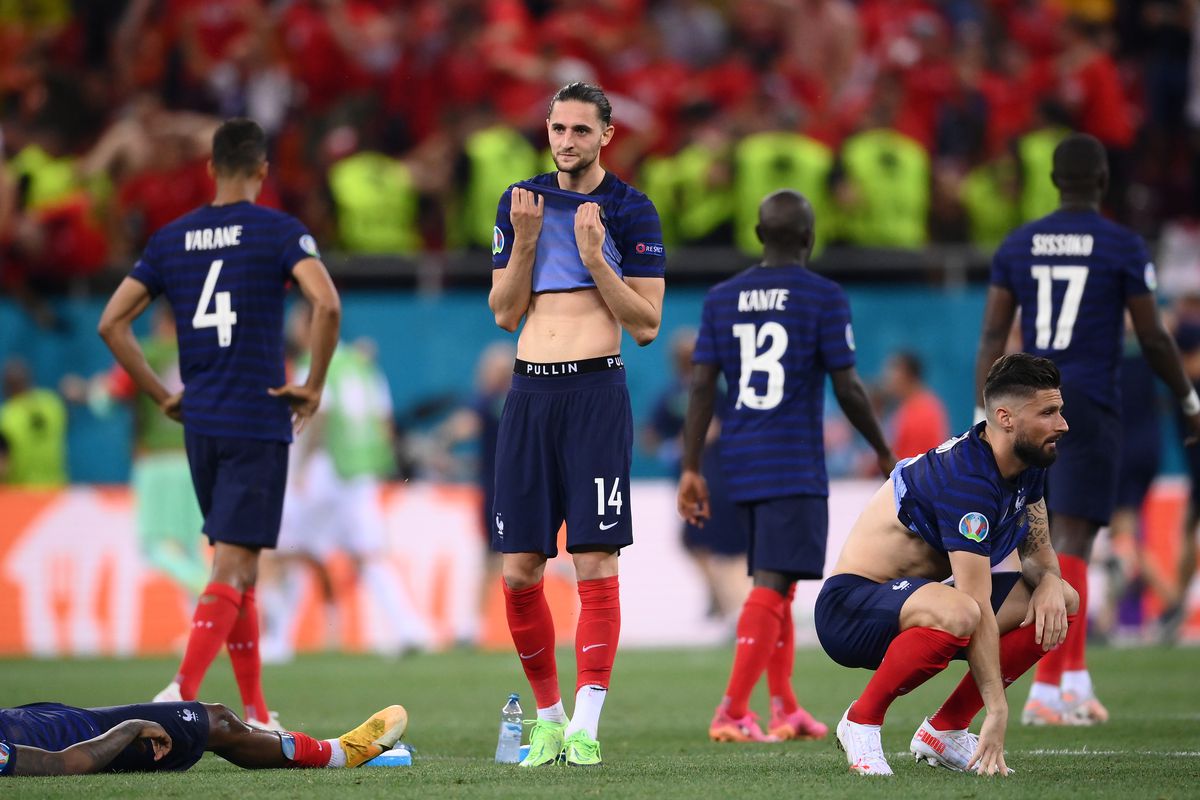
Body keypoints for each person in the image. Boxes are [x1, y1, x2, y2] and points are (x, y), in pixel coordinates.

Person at [97, 118, 341, 729]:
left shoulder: (170, 239)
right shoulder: (280, 231)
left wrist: (160, 395)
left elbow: (111, 323)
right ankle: (179, 689)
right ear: (262, 170)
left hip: (201, 420)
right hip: (257, 414)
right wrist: (313, 384)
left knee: (240, 566)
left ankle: (255, 710)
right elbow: (326, 302)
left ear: (210, 169)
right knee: (234, 565)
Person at [975, 133, 1200, 726]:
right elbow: (1151, 335)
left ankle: (1072, 680)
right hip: (1087, 404)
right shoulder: (1121, 244)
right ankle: (1049, 689)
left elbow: (993, 334)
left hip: (1024, 404)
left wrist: (986, 412)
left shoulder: (1019, 243)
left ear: (1054, 181)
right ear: (1103, 181)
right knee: (1071, 538)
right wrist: (1188, 398)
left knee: (1049, 536)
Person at [487, 82, 666, 768]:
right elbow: (505, 314)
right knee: (519, 571)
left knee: (594, 560)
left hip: (595, 393)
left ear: (606, 136)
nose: (567, 141)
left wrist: (596, 258)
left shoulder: (631, 210)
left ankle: (587, 726)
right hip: (530, 393)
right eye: (558, 128)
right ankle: (549, 720)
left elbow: (646, 325)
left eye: (581, 130)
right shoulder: (520, 203)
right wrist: (527, 243)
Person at [677, 189, 895, 744]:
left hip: (738, 458)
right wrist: (882, 447)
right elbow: (848, 385)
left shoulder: (721, 298)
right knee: (773, 586)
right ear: (808, 237)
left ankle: (786, 707)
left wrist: (691, 465)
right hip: (791, 458)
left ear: (758, 236)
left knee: (776, 581)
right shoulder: (822, 295)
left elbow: (701, 387)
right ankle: (732, 710)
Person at [818, 353, 1079, 776]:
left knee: (1061, 601)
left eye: (1059, 410)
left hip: (919, 605)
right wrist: (997, 708)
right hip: (849, 610)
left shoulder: (1026, 463)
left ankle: (946, 730)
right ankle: (861, 720)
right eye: (1048, 412)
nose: (1062, 424)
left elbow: (1037, 551)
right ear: (1005, 418)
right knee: (963, 611)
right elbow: (974, 601)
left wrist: (1049, 580)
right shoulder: (967, 481)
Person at [262, 303, 429, 661]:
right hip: (360, 471)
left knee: (288, 551)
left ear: (310, 326)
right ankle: (410, 628)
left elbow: (319, 417)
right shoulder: (361, 364)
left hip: (325, 469)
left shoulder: (316, 363)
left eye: (297, 324)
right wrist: (381, 465)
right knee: (368, 553)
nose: (293, 331)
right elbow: (384, 421)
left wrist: (299, 468)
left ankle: (279, 640)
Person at [0, 700, 406, 776]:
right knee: (216, 721)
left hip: (63, 716)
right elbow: (63, 765)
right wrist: (130, 729)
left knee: (218, 719)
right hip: (93, 737)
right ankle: (336, 754)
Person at [645, 328, 747, 626]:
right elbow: (651, 436)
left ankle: (731, 606)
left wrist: (684, 442)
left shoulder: (710, 392)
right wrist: (675, 445)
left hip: (714, 480)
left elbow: (721, 427)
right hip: (701, 480)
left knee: (713, 545)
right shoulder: (682, 393)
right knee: (696, 542)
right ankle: (723, 601)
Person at [0, 357, 68, 488]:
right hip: (56, 490)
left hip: (21, 492)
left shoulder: (5, 416)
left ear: (6, 387)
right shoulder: (52, 403)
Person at [881, 351, 950, 460]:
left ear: (907, 375)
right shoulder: (918, 405)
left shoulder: (921, 411)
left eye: (893, 372)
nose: (887, 378)